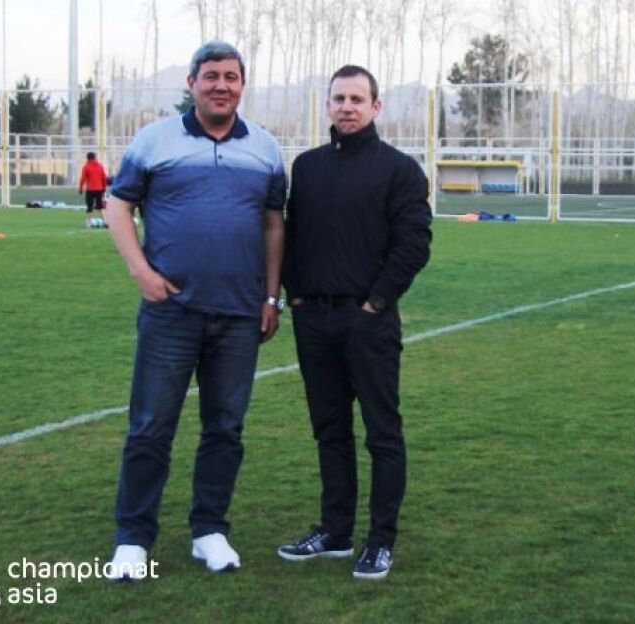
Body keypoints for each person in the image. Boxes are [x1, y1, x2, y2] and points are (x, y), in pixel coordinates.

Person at [103, 40, 287, 580]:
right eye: (211, 76)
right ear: (192, 84)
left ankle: (210, 530)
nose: (221, 86)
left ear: (242, 85)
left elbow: (273, 224)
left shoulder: (266, 148)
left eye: (231, 77)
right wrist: (141, 272)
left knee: (225, 428)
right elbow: (118, 204)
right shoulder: (154, 139)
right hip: (172, 313)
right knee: (150, 427)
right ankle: (133, 538)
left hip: (239, 315)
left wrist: (270, 296)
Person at [277, 65, 432, 580]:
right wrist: (296, 294)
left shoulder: (399, 170)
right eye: (339, 98)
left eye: (357, 99)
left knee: (382, 433)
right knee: (330, 431)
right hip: (313, 320)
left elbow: (414, 244)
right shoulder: (308, 167)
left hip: (368, 323)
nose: (347, 107)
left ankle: (380, 540)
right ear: (327, 105)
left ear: (375, 107)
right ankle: (335, 532)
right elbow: (293, 235)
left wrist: (376, 303)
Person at [78, 152, 109, 228]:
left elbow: (83, 178)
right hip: (99, 189)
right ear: (95, 157)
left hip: (90, 189)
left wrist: (81, 188)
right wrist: (104, 188)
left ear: (87, 158)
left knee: (90, 206)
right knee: (100, 206)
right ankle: (105, 221)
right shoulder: (100, 166)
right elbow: (104, 177)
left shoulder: (86, 166)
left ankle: (89, 223)